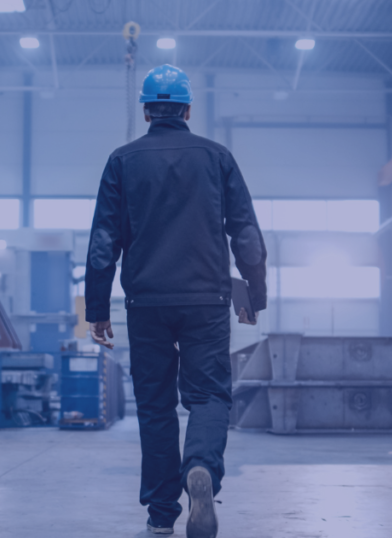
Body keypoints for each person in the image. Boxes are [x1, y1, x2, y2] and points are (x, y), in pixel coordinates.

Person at [85, 64, 267, 538]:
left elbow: (104, 241)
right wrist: (254, 293)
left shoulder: (121, 161)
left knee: (156, 405)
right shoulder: (217, 157)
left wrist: (97, 310)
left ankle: (161, 516)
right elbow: (245, 232)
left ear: (146, 110)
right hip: (207, 299)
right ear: (187, 109)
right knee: (208, 396)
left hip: (145, 303)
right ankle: (200, 470)